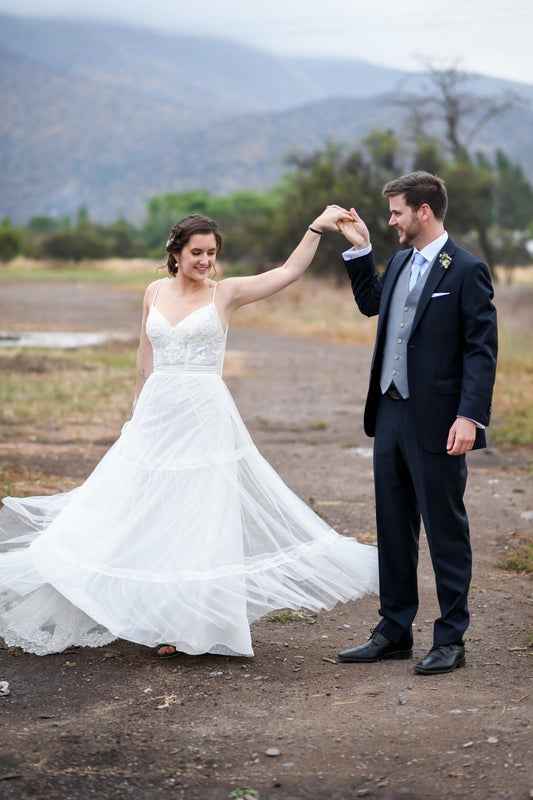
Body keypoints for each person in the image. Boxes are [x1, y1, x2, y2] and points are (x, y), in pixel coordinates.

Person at [0, 209, 379, 659]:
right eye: (196, 252)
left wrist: (316, 228)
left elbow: (289, 272)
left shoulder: (226, 293)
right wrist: (136, 410)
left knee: (198, 515)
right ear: (175, 253)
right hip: (157, 416)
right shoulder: (153, 291)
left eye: (212, 253)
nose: (204, 261)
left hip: (203, 415)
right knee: (146, 510)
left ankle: (192, 623)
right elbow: (145, 355)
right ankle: (150, 612)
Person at [336, 172, 497, 675]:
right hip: (390, 412)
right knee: (393, 523)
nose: (391, 221)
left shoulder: (467, 269)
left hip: (439, 419)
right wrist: (361, 251)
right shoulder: (401, 259)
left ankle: (451, 638)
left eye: (396, 212)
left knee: (446, 528)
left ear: (423, 211)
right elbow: (372, 305)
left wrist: (469, 416)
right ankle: (394, 629)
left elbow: (481, 350)